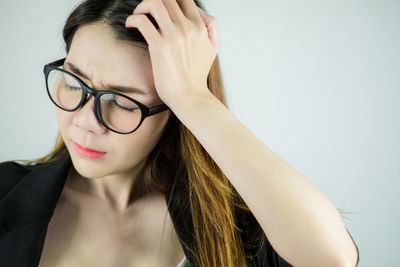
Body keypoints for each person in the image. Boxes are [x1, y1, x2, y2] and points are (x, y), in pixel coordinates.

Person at [0, 0, 360, 266]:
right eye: (74, 82)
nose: (84, 121)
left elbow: (330, 258)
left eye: (124, 103)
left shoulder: (226, 226)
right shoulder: (5, 192)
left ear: (174, 112)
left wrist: (194, 98)